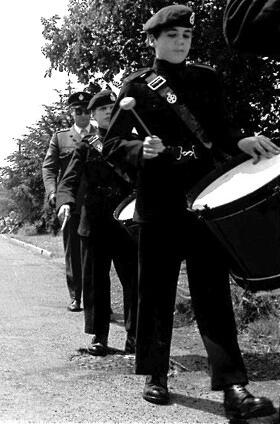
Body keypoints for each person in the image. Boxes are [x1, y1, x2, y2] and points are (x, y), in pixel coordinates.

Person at [103, 5, 279, 420]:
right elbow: (112, 146)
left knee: (213, 295)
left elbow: (222, 132)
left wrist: (243, 141)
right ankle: (155, 374)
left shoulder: (208, 79)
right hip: (159, 202)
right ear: (152, 40)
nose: (181, 42)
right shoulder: (137, 87)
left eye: (186, 35)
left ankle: (234, 385)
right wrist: (138, 150)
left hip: (204, 201)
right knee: (156, 293)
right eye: (172, 36)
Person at [56, 90, 137, 356]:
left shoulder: (133, 141)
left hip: (127, 222)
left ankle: (135, 337)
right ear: (92, 116)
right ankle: (99, 336)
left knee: (134, 281)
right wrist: (65, 202)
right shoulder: (86, 145)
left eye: (112, 108)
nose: (108, 112)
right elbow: (69, 179)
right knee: (95, 283)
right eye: (102, 109)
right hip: (95, 222)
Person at [42, 91, 95, 312]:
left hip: (97, 202)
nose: (83, 115)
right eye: (78, 111)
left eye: (87, 111)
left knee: (97, 252)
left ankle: (98, 300)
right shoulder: (60, 138)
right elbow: (49, 168)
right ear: (71, 112)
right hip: (71, 203)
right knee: (73, 251)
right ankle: (76, 296)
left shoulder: (103, 133)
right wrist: (53, 193)